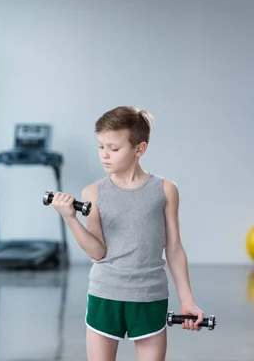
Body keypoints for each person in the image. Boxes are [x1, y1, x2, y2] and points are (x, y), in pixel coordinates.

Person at [49, 106, 204, 361]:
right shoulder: (93, 193)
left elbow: (174, 248)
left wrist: (187, 301)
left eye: (114, 148)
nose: (105, 155)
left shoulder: (165, 190)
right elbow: (97, 252)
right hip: (104, 295)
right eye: (101, 146)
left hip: (149, 296)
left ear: (139, 149)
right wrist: (70, 217)